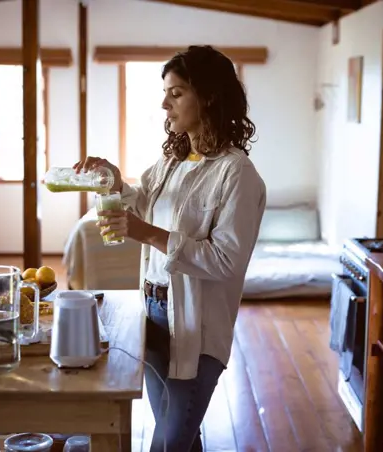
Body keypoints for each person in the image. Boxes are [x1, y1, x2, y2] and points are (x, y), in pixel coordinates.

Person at [74, 45, 266, 452]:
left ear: (209, 95)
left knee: (167, 443)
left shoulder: (238, 175)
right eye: (166, 93)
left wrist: (145, 234)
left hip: (196, 326)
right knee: (181, 438)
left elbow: (226, 261)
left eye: (176, 93)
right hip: (153, 314)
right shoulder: (174, 161)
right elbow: (142, 200)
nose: (165, 103)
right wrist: (113, 180)